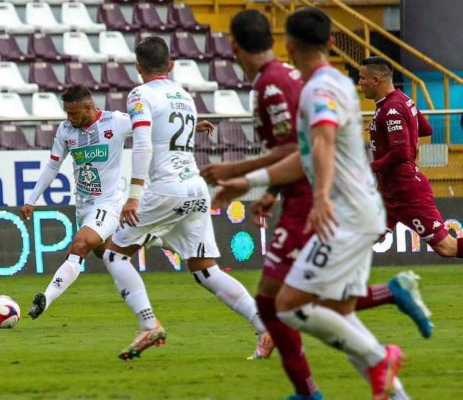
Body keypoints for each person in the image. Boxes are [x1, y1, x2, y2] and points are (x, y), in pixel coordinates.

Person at [205, 9, 426, 400]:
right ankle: (396, 393)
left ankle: (379, 358)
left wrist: (320, 197)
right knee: (336, 311)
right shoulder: (335, 82)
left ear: (287, 45)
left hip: (347, 214)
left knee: (288, 304)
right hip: (360, 210)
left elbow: (320, 141)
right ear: (329, 43)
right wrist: (246, 181)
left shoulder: (318, 89)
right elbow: (304, 154)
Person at [99, 36, 271, 360]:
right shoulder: (185, 96)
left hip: (166, 190)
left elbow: (144, 143)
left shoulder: (140, 94)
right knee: (206, 271)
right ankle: (264, 328)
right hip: (195, 187)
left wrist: (134, 195)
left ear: (138, 68)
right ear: (172, 65)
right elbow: (173, 134)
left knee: (115, 256)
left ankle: (148, 324)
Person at [23, 84, 134, 319]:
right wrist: (32, 199)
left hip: (108, 204)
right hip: (84, 207)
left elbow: (152, 128)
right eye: (66, 112)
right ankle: (157, 237)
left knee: (80, 245)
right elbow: (53, 165)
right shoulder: (65, 130)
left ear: (88, 107)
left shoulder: (116, 122)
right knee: (109, 252)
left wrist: (192, 128)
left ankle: (46, 298)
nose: (68, 118)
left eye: (73, 113)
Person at [358, 56, 463, 259]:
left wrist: (370, 167)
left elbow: (401, 152)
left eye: (363, 78)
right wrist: (380, 130)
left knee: (446, 247)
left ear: (376, 80)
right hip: (388, 191)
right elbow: (425, 129)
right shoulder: (402, 100)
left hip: (405, 190)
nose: (360, 83)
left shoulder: (391, 108)